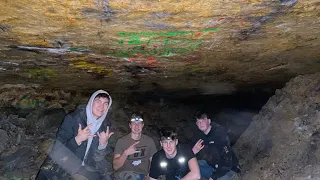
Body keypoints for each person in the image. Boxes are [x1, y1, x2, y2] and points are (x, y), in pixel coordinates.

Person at [36, 90, 114, 180]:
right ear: (91, 102)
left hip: (86, 166)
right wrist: (77, 140)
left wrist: (102, 146)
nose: (101, 106)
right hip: (65, 161)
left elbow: (98, 158)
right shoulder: (73, 119)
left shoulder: (105, 126)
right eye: (98, 101)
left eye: (105, 104)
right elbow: (58, 148)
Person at [191, 111, 240, 180]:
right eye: (198, 122)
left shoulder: (219, 134)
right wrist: (193, 151)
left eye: (203, 120)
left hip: (228, 169)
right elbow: (189, 151)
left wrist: (213, 177)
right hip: (213, 166)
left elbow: (227, 162)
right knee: (194, 164)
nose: (200, 123)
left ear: (209, 121)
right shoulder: (200, 135)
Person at [113, 113, 157, 180]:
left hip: (143, 175)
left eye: (139, 123)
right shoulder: (121, 141)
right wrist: (125, 153)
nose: (136, 126)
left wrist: (150, 175)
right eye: (134, 123)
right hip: (126, 174)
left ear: (143, 125)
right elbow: (115, 166)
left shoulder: (149, 141)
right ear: (130, 125)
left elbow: (153, 161)